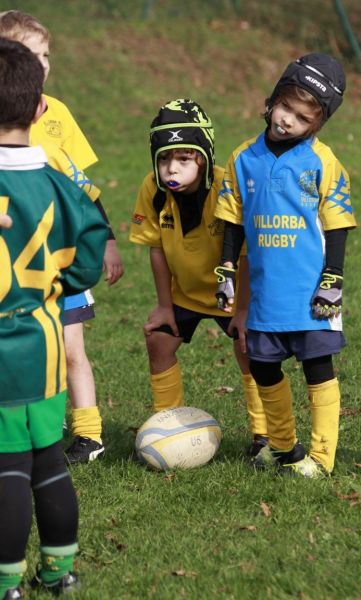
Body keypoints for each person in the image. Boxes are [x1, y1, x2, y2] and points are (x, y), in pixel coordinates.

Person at [0, 38, 108, 599]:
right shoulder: (63, 188)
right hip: (42, 343)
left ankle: (6, 582)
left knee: (6, 467)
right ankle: (59, 572)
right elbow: (87, 258)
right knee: (45, 457)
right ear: (40, 110)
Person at [214, 53, 356, 477]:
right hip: (265, 293)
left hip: (312, 295)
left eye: (303, 117)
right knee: (261, 364)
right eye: (286, 108)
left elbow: (337, 226)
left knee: (317, 368)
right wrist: (225, 270)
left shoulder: (324, 163)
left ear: (317, 124)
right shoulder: (242, 159)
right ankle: (284, 449)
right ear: (272, 99)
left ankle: (322, 457)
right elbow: (232, 222)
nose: (289, 121)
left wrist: (333, 278)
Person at [0, 10, 125, 464]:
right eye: (33, 54)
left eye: (47, 54)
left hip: (61, 252)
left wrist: (107, 239)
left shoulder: (60, 115)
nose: (44, 64)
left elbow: (83, 188)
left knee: (71, 347)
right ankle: (23, 436)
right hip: (11, 261)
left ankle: (88, 434)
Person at [129, 98, 269, 457]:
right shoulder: (153, 190)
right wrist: (164, 305)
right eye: (163, 159)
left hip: (235, 294)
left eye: (183, 159)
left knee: (248, 349)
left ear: (204, 158)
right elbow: (156, 249)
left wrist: (242, 313)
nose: (171, 169)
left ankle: (263, 434)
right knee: (159, 341)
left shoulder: (227, 187)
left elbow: (246, 254)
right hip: (185, 294)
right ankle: (166, 428)